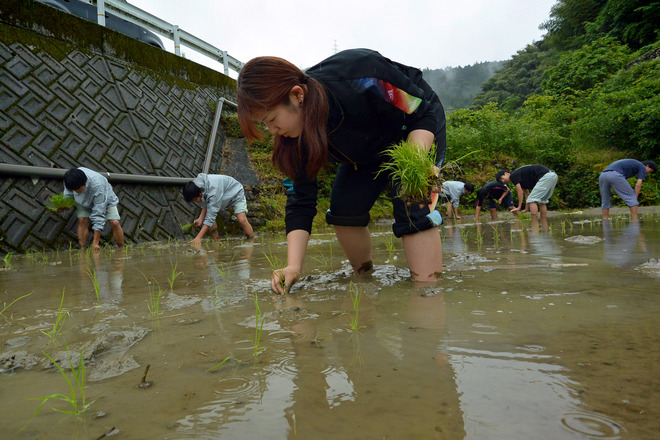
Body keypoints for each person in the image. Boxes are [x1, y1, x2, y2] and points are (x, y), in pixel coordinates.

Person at [236, 48, 447, 294]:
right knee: (344, 209)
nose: (272, 130)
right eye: (265, 124)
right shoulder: (292, 139)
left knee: (412, 200)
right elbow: (301, 200)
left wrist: (416, 164)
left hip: (414, 129)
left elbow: (420, 112)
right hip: (364, 153)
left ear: (297, 96)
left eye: (272, 119)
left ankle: (427, 295)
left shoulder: (358, 74)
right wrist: (292, 266)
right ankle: (365, 281)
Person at [62, 167, 124, 251]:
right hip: (83, 201)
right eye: (74, 190)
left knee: (115, 222)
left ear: (85, 182)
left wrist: (96, 242)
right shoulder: (70, 180)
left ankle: (122, 249)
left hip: (105, 200)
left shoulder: (98, 185)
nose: (75, 192)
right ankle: (83, 249)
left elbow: (99, 214)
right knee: (82, 220)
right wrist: (64, 205)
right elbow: (68, 195)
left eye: (78, 189)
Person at [182, 173, 254, 245]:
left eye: (196, 199)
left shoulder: (213, 190)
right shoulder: (197, 187)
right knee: (210, 223)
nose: (197, 201)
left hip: (236, 193)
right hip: (222, 197)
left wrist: (198, 237)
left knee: (242, 219)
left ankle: (251, 242)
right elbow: (206, 204)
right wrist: (200, 218)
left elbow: (211, 216)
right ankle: (217, 242)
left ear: (199, 193)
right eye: (194, 201)